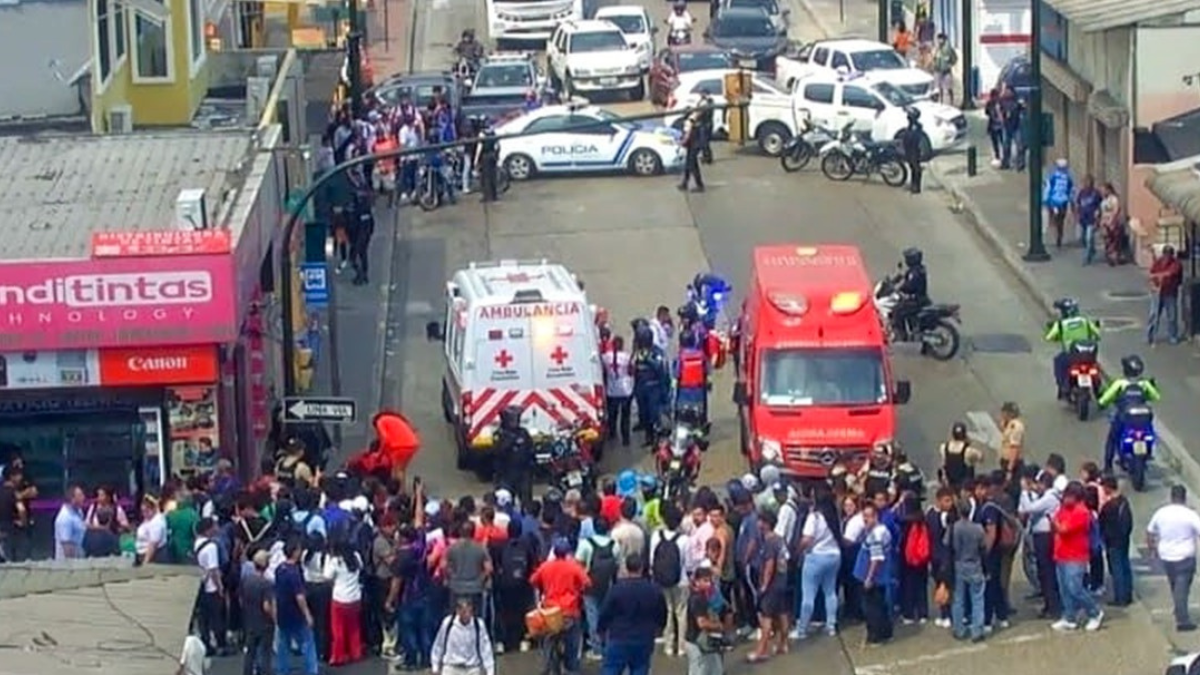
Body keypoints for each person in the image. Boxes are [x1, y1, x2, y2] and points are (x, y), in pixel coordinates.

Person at [598, 552, 668, 675]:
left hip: (619, 636)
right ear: (642, 567)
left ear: (626, 567)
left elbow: (605, 612)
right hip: (644, 637)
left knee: (612, 669)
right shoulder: (654, 590)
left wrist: (601, 630)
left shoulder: (617, 589)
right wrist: (658, 628)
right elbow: (662, 613)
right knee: (640, 668)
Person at [530, 537, 590, 675]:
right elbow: (587, 583)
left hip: (550, 612)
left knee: (547, 641)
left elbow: (533, 580)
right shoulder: (573, 566)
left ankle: (548, 666)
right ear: (567, 552)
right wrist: (577, 590)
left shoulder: (545, 566)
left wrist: (544, 587)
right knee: (572, 643)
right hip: (570, 612)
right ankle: (572, 668)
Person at [1147, 484, 1200, 631]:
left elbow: (1150, 531)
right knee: (1182, 587)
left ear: (1171, 496)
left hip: (1166, 556)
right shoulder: (1190, 514)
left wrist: (1152, 549)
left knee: (1175, 584)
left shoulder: (1161, 513)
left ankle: (1178, 607)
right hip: (1185, 556)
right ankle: (1182, 620)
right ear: (1184, 497)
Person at [1052, 482, 1104, 632]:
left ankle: (1095, 612)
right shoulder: (1064, 509)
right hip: (1061, 553)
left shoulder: (1082, 512)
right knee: (1064, 589)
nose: (1065, 499)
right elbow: (1057, 522)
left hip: (1076, 556)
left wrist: (1056, 523)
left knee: (1075, 587)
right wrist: (1057, 523)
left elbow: (1063, 529)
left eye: (1068, 496)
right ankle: (1069, 617)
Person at [1097, 354, 1162, 472]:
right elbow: (1156, 396)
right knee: (1149, 432)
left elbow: (1105, 398)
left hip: (1124, 417)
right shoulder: (1144, 384)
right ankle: (1147, 453)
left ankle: (1108, 467)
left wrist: (1101, 404)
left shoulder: (1120, 383)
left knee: (1112, 439)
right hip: (1144, 418)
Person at [651, 505, 692, 658]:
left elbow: (651, 559)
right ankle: (681, 647)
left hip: (662, 579)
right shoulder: (684, 540)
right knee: (681, 612)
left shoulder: (656, 536)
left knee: (668, 610)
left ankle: (668, 644)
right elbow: (688, 563)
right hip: (681, 580)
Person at [577, 516, 620, 660]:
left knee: (592, 616)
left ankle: (596, 649)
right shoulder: (614, 544)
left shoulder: (585, 544)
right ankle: (607, 644)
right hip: (607, 585)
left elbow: (578, 565)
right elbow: (617, 564)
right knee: (606, 615)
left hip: (589, 585)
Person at [274, 539, 320, 675]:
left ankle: (282, 670)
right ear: (294, 552)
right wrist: (307, 614)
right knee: (307, 643)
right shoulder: (294, 572)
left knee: (284, 645)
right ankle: (311, 671)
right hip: (297, 614)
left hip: (283, 612)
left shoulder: (279, 569)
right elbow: (299, 596)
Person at [1044, 297, 1102, 399]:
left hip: (1070, 356)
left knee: (1058, 362)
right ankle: (1098, 390)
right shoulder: (1085, 321)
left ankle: (1063, 387)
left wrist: (1058, 336)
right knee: (1095, 367)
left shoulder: (1061, 324)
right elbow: (1097, 334)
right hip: (1088, 354)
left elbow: (1049, 337)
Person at [855, 503, 894, 645]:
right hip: (877, 577)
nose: (866, 519)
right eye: (864, 516)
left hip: (874, 578)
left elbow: (876, 558)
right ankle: (885, 632)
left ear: (876, 516)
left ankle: (875, 636)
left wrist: (869, 578)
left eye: (869, 516)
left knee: (871, 608)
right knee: (879, 605)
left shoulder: (876, 534)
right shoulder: (879, 531)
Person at [431, 595, 496, 675]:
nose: (466, 615)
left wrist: (490, 671)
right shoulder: (448, 623)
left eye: (469, 611)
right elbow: (438, 646)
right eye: (463, 611)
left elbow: (485, 649)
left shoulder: (478, 625)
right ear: (458, 611)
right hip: (452, 666)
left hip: (472, 667)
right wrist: (435, 667)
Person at [684, 566, 729, 675]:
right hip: (697, 643)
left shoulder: (699, 596)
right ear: (697, 581)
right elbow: (702, 623)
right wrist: (719, 626)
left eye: (709, 581)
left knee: (714, 669)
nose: (708, 584)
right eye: (705, 581)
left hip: (700, 642)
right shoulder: (698, 599)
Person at [1097, 475, 1134, 607]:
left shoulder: (1109, 506)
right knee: (1125, 566)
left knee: (1116, 569)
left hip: (1113, 542)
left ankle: (1120, 597)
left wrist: (1105, 538)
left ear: (1107, 487)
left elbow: (1101, 523)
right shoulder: (1124, 501)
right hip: (1124, 540)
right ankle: (1128, 594)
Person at [632, 324, 670, 446]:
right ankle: (648, 438)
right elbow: (633, 369)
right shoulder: (637, 352)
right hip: (641, 387)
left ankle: (657, 439)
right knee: (644, 414)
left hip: (654, 387)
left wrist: (648, 359)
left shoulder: (656, 351)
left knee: (654, 414)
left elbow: (661, 369)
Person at [241, 549, 276, 675]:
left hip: (250, 620)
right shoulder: (266, 584)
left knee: (250, 652)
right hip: (264, 623)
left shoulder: (246, 580)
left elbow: (241, 598)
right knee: (265, 653)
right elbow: (266, 606)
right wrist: (274, 618)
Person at [494, 405, 534, 505]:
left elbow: (530, 448)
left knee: (526, 501)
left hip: (523, 473)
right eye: (512, 419)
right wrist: (511, 441)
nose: (515, 421)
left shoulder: (523, 433)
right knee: (505, 504)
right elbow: (498, 452)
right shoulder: (499, 434)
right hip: (506, 475)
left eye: (517, 418)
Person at [889, 246, 929, 337]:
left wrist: (899, 288)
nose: (906, 260)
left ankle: (902, 333)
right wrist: (893, 280)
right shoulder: (919, 269)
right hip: (921, 299)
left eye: (908, 258)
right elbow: (903, 277)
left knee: (897, 310)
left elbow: (910, 285)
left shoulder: (915, 272)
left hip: (917, 300)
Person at [1148, 245, 1184, 345]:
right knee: (1154, 315)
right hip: (1157, 292)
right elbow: (1151, 274)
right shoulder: (1158, 262)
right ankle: (1150, 336)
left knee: (1172, 316)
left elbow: (1171, 273)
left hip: (1170, 293)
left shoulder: (1176, 263)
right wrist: (1154, 281)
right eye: (1166, 254)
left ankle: (1173, 336)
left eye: (1169, 255)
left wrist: (1159, 275)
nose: (1167, 257)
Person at [674, 329, 710, 427]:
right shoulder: (701, 355)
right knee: (698, 415)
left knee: (684, 415)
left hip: (684, 391)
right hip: (698, 390)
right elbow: (706, 371)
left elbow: (677, 374)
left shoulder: (680, 357)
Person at [605, 335, 635, 447]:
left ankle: (612, 434)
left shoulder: (606, 357)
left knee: (612, 415)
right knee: (625, 417)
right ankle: (626, 439)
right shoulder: (627, 357)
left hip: (612, 392)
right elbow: (631, 372)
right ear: (622, 345)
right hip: (625, 391)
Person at [938, 421, 981, 491]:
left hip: (949, 484)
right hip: (965, 487)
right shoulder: (968, 450)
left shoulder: (943, 447)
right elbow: (981, 457)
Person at [1042, 158, 1075, 249]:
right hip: (1063, 202)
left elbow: (1047, 189)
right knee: (1061, 220)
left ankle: (1055, 232)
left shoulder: (1052, 177)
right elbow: (1071, 191)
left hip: (1053, 201)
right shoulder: (1068, 179)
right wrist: (1072, 203)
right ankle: (1059, 234)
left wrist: (1045, 200)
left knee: (1054, 219)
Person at [899, 108, 929, 194]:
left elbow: (914, 138)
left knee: (915, 167)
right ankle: (913, 184)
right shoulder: (912, 126)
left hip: (913, 149)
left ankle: (916, 186)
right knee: (912, 166)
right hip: (910, 148)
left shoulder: (915, 127)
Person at [1075, 174, 1103, 265]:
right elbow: (1078, 204)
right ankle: (1092, 249)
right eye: (1085, 182)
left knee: (1089, 238)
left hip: (1092, 219)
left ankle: (1087, 258)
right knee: (1084, 239)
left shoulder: (1096, 193)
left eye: (1089, 182)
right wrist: (1077, 215)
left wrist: (1098, 217)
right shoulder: (1082, 193)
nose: (1087, 184)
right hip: (1083, 219)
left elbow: (1100, 205)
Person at [679, 111, 706, 193]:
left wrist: (682, 142)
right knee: (689, 164)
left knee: (692, 165)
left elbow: (688, 134)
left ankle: (699, 185)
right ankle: (685, 183)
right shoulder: (696, 120)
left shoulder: (688, 122)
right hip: (696, 144)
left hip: (693, 144)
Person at [475, 126, 501, 203]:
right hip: (492, 156)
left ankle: (487, 196)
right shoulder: (493, 132)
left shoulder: (482, 134)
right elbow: (497, 146)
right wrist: (497, 155)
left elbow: (479, 148)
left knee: (485, 178)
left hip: (485, 156)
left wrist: (476, 160)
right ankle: (494, 196)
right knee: (493, 176)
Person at [931, 33, 957, 104]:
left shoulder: (948, 49)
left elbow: (954, 58)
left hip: (946, 71)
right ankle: (941, 102)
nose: (939, 41)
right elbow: (933, 58)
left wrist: (950, 65)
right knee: (938, 88)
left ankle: (952, 102)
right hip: (937, 70)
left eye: (941, 39)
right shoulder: (936, 49)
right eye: (938, 39)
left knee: (949, 87)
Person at [696, 88, 715, 164]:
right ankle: (706, 156)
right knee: (703, 141)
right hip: (704, 123)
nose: (700, 94)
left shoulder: (708, 101)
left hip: (705, 123)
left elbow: (703, 112)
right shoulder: (704, 101)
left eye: (702, 93)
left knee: (704, 141)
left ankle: (708, 157)